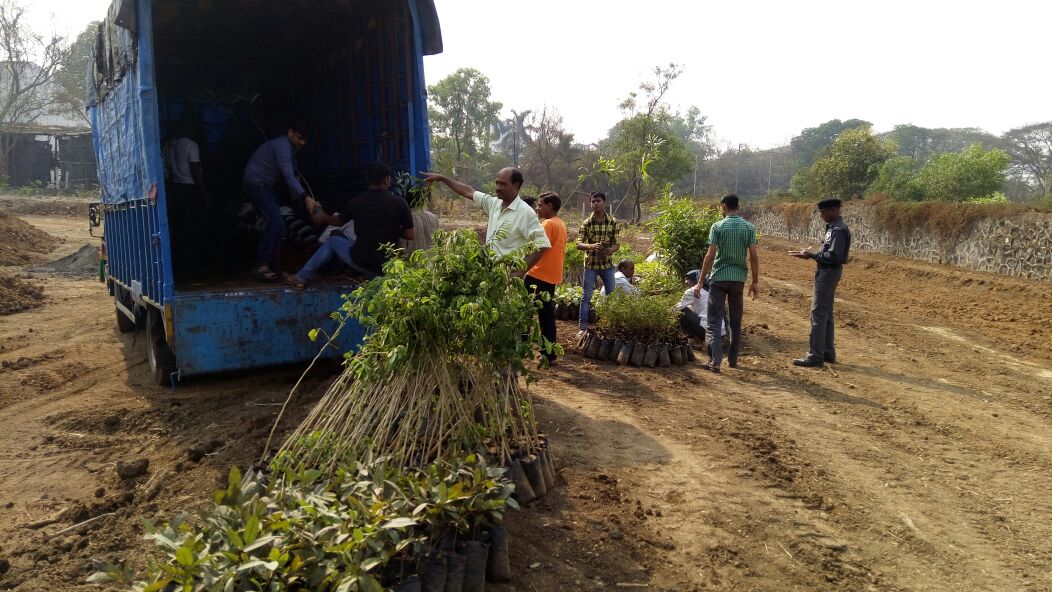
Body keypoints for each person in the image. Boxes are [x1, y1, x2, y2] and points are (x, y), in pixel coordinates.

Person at [284, 162, 414, 286]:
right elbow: (410, 235)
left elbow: (337, 222)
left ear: (368, 180)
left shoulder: (356, 202)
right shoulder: (400, 203)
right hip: (386, 266)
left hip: (361, 261)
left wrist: (323, 217)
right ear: (387, 180)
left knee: (333, 240)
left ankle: (301, 277)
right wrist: (393, 229)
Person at [420, 168, 550, 261]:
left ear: (516, 185)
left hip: (509, 278)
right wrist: (442, 178)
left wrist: (521, 271)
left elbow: (542, 244)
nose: (497, 187)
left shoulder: (526, 213)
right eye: (497, 183)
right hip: (490, 273)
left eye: (503, 184)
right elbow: (468, 191)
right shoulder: (494, 204)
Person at [697, 193, 760, 373]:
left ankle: (715, 361)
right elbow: (754, 257)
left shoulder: (717, 226)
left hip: (718, 278)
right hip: (738, 279)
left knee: (715, 321)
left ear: (723, 207)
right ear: (738, 206)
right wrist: (755, 282)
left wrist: (701, 281)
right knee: (735, 321)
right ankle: (732, 361)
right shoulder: (749, 228)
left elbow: (710, 255)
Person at [243, 121, 311, 282]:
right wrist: (305, 197)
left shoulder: (291, 149)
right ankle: (261, 265)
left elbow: (294, 175)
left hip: (267, 185)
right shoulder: (282, 146)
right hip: (257, 183)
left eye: (304, 140)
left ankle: (274, 267)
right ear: (290, 132)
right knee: (276, 220)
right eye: (299, 138)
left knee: (279, 227)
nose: (302, 142)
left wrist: (303, 200)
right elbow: (288, 177)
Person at [789, 197, 852, 367]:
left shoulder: (837, 229)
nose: (821, 216)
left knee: (817, 313)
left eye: (823, 212)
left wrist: (812, 255)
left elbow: (834, 256)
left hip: (828, 272)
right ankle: (827, 352)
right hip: (829, 271)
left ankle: (815, 355)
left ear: (833, 210)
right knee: (827, 313)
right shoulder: (835, 227)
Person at [524, 192, 567, 363]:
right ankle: (549, 353)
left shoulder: (548, 224)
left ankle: (520, 345)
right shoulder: (560, 223)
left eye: (540, 205)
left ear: (550, 206)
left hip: (537, 274)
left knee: (524, 312)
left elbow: (537, 248)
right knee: (546, 316)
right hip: (551, 275)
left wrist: (523, 267)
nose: (537, 208)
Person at [163, 120, 209, 277]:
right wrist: (204, 194)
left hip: (175, 189)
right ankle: (191, 266)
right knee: (192, 229)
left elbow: (168, 168)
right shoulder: (192, 145)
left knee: (178, 229)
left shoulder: (172, 145)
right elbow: (196, 171)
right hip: (189, 189)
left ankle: (179, 265)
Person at [576, 192, 620, 335]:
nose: (595, 203)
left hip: (607, 264)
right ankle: (582, 329)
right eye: (593, 201)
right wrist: (591, 246)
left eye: (598, 201)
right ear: (590, 203)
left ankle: (611, 327)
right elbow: (578, 244)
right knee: (586, 297)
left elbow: (617, 244)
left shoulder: (612, 221)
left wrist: (610, 250)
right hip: (590, 265)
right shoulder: (586, 223)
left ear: (604, 202)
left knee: (611, 296)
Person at [675, 270, 726, 345]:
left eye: (688, 279)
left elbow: (677, 308)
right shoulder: (710, 291)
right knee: (689, 308)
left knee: (681, 312)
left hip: (706, 332)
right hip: (721, 333)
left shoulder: (692, 291)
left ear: (695, 280)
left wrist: (663, 314)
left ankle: (697, 341)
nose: (686, 282)